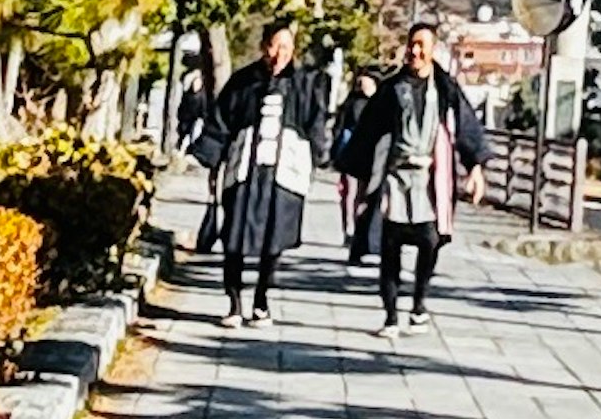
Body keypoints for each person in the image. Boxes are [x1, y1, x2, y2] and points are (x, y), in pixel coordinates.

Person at [338, 24, 486, 328]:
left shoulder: (445, 87)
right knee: (389, 245)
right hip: (395, 177)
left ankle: (419, 302)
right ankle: (391, 314)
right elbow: (368, 132)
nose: (415, 51)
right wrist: (360, 177)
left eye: (421, 45)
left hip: (431, 178)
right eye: (411, 44)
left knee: (430, 240)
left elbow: (468, 127)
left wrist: (476, 168)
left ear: (433, 50)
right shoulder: (392, 89)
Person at [200, 19, 319, 323]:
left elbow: (315, 125)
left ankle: (261, 300)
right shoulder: (242, 81)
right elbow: (221, 121)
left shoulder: (305, 82)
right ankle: (234, 302)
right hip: (244, 170)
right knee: (234, 238)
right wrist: (212, 157)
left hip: (284, 174)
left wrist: (317, 155)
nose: (279, 54)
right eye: (274, 46)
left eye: (286, 47)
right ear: (263, 46)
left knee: (274, 240)